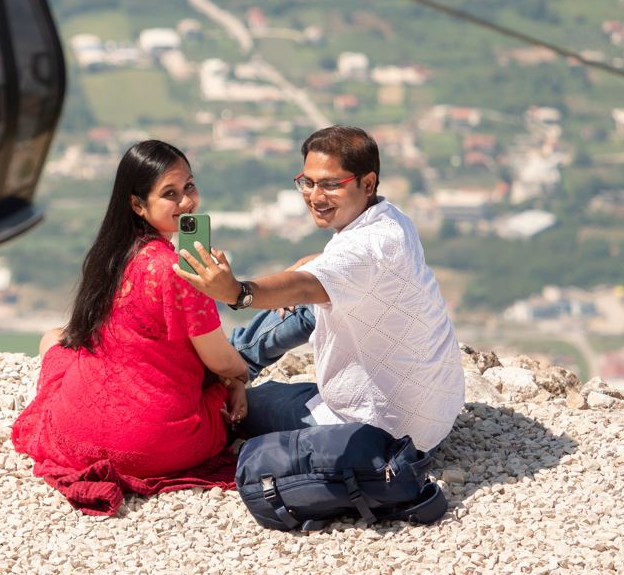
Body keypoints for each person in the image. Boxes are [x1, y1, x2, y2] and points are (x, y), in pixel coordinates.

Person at [175, 125, 464, 455]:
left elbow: (302, 287)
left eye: (330, 184)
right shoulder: (392, 221)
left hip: (380, 432)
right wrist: (318, 261)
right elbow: (333, 273)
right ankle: (234, 362)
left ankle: (224, 373)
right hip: (433, 415)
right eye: (308, 182)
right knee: (312, 303)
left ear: (367, 183)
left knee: (241, 407)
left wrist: (237, 292)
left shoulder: (362, 250)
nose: (314, 195)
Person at [11, 140, 251, 515]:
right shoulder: (183, 271)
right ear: (138, 205)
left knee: (56, 341)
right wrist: (239, 379)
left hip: (75, 437)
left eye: (189, 186)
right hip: (157, 445)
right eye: (170, 194)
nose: (187, 202)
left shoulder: (108, 258)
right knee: (224, 387)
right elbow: (218, 358)